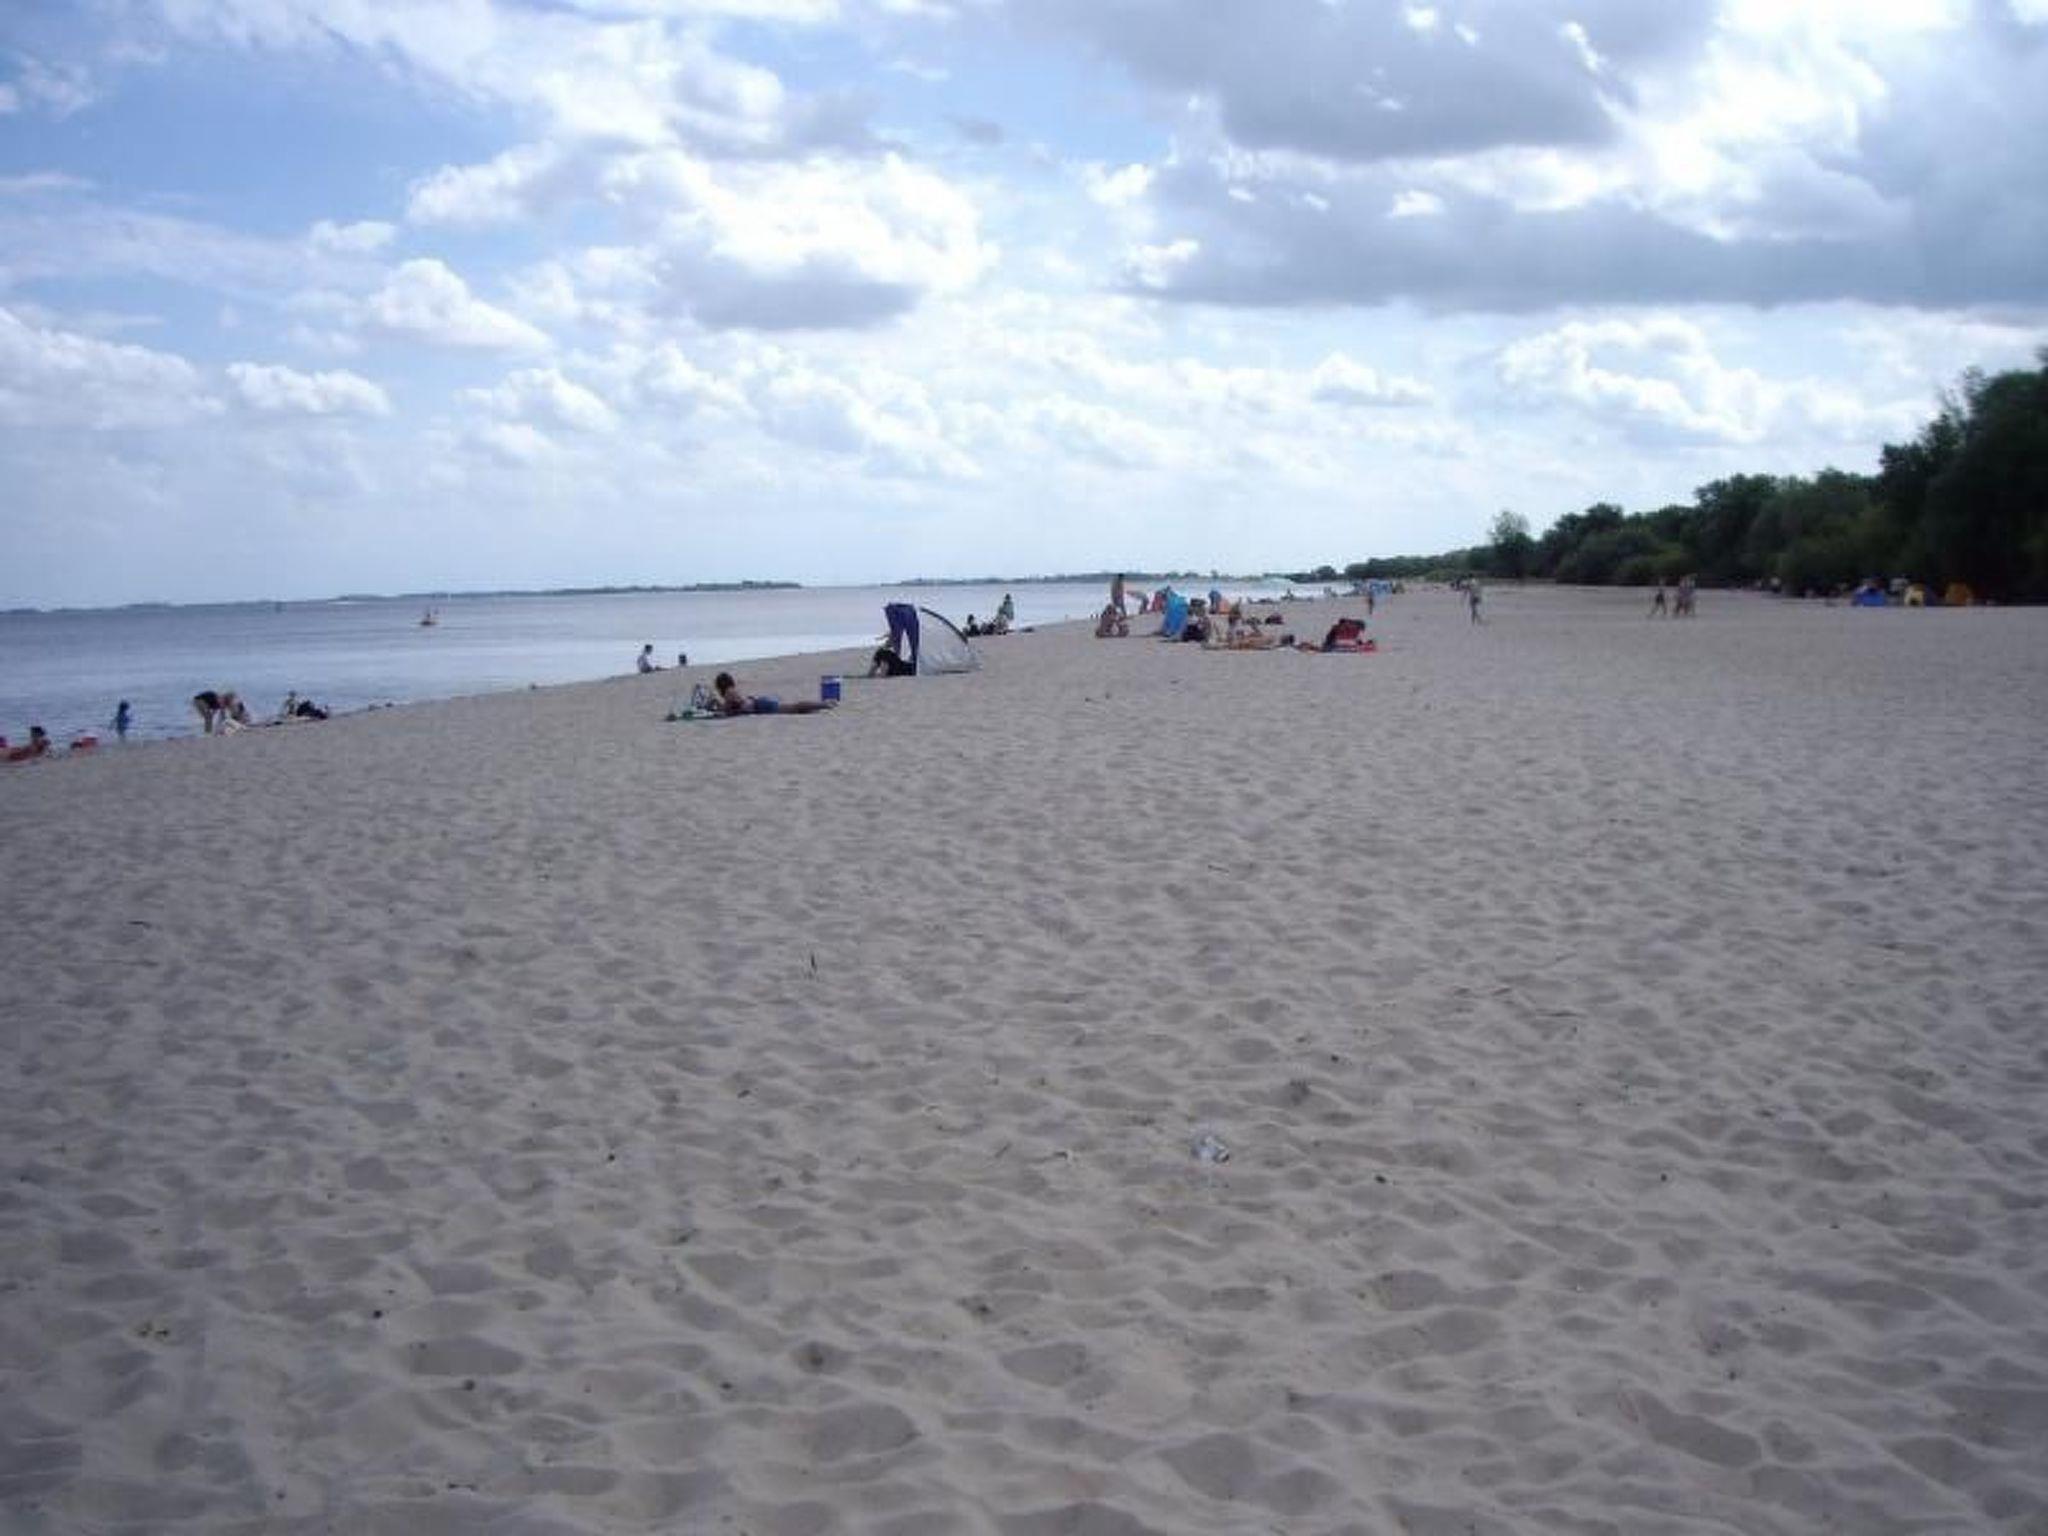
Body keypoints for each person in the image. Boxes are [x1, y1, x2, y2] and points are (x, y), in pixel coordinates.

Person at [712, 672, 834, 716]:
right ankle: (821, 705)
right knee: (794, 708)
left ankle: (824, 704)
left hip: (761, 706)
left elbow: (727, 710)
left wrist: (716, 705)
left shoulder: (729, 692)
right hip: (760, 704)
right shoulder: (732, 691)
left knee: (794, 707)